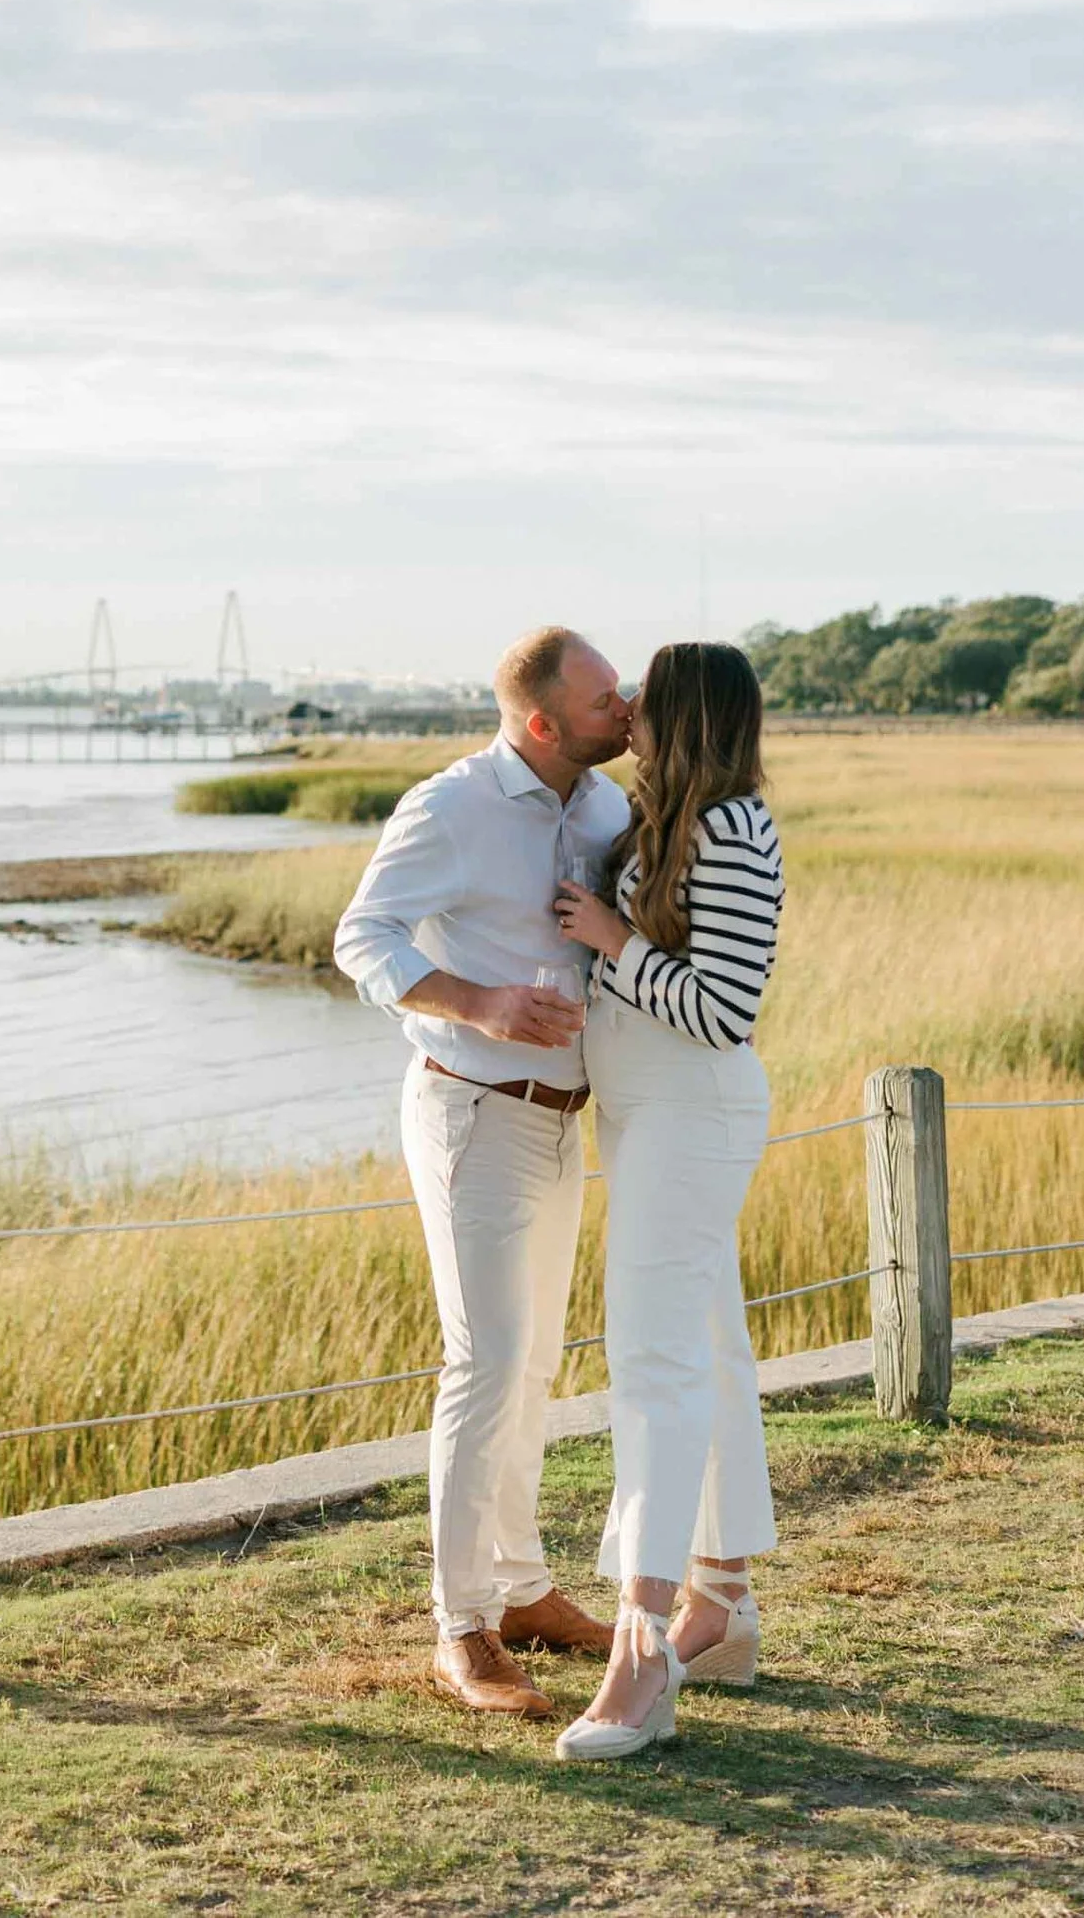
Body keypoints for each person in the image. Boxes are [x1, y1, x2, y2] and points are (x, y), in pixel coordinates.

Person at [333, 625, 633, 1721]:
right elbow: (359, 938)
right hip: (470, 1110)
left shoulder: (606, 806)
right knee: (486, 1360)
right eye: (609, 700)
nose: (629, 710)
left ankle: (522, 1590)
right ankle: (458, 1625)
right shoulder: (449, 805)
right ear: (543, 722)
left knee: (537, 1362)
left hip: (563, 1121)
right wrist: (480, 1002)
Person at [551, 638, 785, 1763]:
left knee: (650, 1366)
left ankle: (640, 1654)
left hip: (693, 1111)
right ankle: (721, 1608)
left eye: (647, 692)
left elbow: (723, 1007)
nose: (628, 705)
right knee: (708, 1349)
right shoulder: (663, 822)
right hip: (650, 1115)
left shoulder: (735, 828)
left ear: (687, 712)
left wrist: (612, 942)